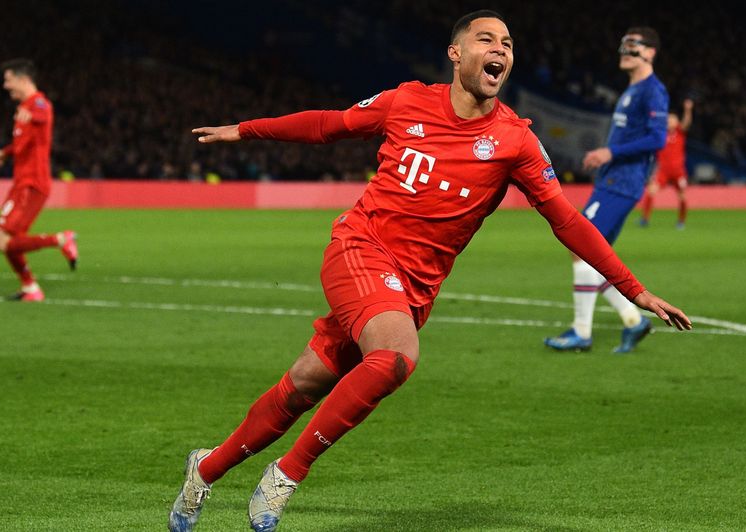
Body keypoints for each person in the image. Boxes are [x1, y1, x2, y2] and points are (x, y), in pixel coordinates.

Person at [169, 12, 690, 532]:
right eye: (486, 39)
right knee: (396, 356)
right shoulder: (407, 101)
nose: (500, 50)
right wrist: (246, 129)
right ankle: (286, 474)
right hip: (360, 247)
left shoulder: (515, 141)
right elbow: (329, 125)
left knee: (306, 384)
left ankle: (205, 469)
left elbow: (567, 221)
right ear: (456, 53)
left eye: (507, 43)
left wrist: (634, 290)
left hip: (415, 288)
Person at [544, 27, 669, 354]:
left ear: (651, 52)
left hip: (623, 182)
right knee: (593, 257)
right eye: (623, 45)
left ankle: (582, 332)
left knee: (580, 245)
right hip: (613, 180)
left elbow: (658, 139)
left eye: (634, 45)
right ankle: (632, 320)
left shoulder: (652, 91)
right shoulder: (632, 90)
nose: (625, 51)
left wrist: (611, 153)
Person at [0, 59, 77, 301]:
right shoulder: (24, 108)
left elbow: (43, 113)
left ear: (23, 79)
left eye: (8, 80)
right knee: (8, 241)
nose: (6, 86)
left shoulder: (38, 103)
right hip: (21, 183)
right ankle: (30, 288)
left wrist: (31, 114)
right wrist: (4, 153)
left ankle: (61, 239)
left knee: (1, 241)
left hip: (32, 183)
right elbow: (22, 142)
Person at [640, 99, 693, 229]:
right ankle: (645, 219)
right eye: (668, 119)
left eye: (673, 119)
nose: (670, 121)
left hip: (678, 171)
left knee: (682, 197)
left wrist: (688, 110)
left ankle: (681, 221)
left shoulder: (680, 133)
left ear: (676, 122)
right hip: (663, 170)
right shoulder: (660, 134)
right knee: (650, 192)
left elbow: (686, 123)